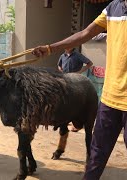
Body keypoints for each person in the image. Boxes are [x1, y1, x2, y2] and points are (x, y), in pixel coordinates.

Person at [32, 0, 127, 179]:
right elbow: (86, 33)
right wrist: (51, 48)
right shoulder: (113, 9)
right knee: (96, 155)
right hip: (109, 99)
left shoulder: (78, 56)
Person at [58, 48, 93, 132]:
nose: (67, 47)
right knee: (65, 101)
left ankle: (76, 124)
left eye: (69, 45)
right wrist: (61, 70)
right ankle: (65, 122)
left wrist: (79, 72)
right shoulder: (63, 56)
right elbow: (59, 65)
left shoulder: (77, 55)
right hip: (65, 80)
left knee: (75, 101)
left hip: (75, 81)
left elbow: (89, 63)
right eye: (65, 46)